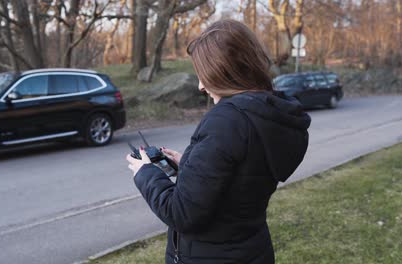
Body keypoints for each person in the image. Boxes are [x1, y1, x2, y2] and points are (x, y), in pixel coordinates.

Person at [126, 19, 311, 264]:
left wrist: (146, 173)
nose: (201, 86)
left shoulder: (227, 120)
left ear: (225, 71)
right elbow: (241, 179)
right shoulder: (271, 115)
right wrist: (189, 164)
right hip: (253, 252)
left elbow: (181, 213)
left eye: (205, 76)